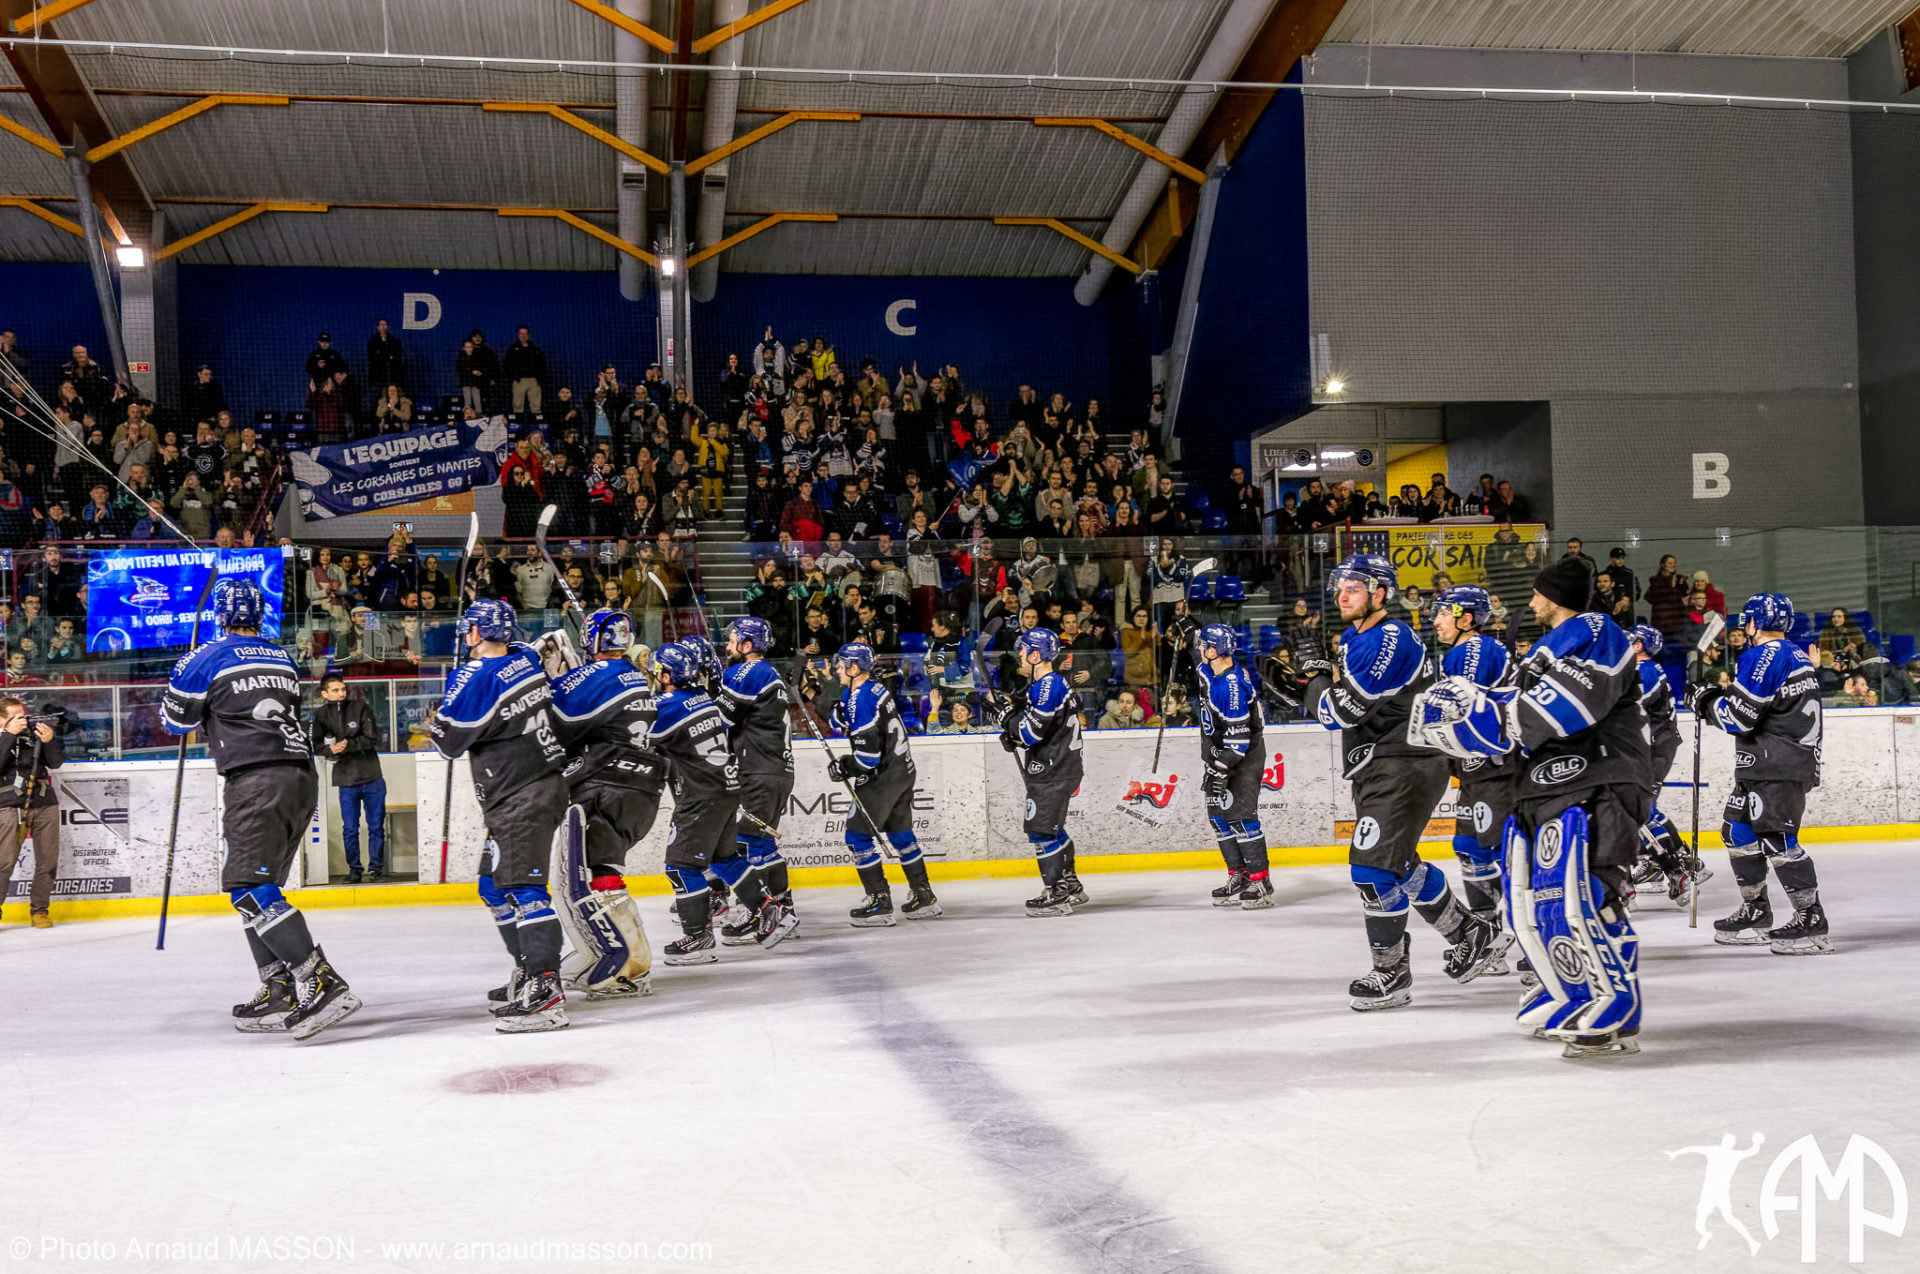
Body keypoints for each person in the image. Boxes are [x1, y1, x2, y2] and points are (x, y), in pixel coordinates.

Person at [1410, 555, 1652, 1057]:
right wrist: (1474, 713)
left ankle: (1616, 1001)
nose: (1532, 600)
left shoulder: (1596, 629)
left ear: (1555, 595)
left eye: (1539, 592)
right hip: (1546, 786)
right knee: (1542, 900)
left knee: (1590, 893)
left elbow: (1567, 705)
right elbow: (1512, 709)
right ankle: (1575, 990)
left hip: (1599, 777)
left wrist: (1494, 716)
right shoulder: (1545, 647)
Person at [1293, 554, 1499, 1012]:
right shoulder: (1357, 637)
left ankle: (1391, 971)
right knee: (1398, 864)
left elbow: (1340, 711)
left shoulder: (1390, 638)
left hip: (1406, 763)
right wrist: (1309, 684)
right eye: (1339, 587)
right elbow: (1339, 703)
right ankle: (1469, 932)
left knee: (1370, 869)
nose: (1342, 595)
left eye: (1354, 587)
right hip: (1382, 763)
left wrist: (1314, 686)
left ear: (1379, 593)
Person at [161, 579, 359, 1040]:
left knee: (249, 887)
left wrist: (186, 672)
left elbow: (175, 721)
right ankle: (279, 989)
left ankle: (319, 980)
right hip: (298, 777)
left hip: (256, 779)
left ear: (220, 616)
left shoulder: (204, 657)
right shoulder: (282, 658)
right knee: (255, 889)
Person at [430, 598, 573, 1033]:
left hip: (520, 794)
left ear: (474, 633)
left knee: (525, 889)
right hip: (535, 786)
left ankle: (546, 992)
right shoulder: (524, 658)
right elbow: (540, 649)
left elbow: (448, 743)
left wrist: (438, 716)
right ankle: (530, 972)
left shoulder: (473, 675)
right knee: (493, 886)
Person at [1689, 593, 1831, 955]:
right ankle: (1756, 910)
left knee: (1777, 840)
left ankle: (1811, 918)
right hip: (1772, 762)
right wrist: (1717, 695)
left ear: (1752, 624)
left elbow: (1738, 718)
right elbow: (1760, 702)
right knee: (1736, 831)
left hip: (1777, 764)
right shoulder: (1795, 654)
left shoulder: (1762, 656)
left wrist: (1704, 702)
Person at [544, 609, 666, 1000]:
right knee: (606, 873)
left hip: (606, 785)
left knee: (577, 881)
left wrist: (551, 678)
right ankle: (635, 962)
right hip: (640, 790)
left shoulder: (596, 676)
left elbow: (552, 720)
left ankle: (616, 966)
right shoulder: (632, 674)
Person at [645, 641, 767, 964]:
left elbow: (639, 737)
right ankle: (767, 907)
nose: (654, 674)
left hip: (701, 795)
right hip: (726, 788)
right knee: (723, 858)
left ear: (668, 675)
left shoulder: (667, 705)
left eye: (657, 670)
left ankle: (698, 936)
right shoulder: (704, 698)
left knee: (680, 866)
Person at [817, 642, 940, 924]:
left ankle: (879, 901)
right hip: (902, 771)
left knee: (857, 837)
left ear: (854, 667)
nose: (837, 668)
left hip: (881, 777)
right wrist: (817, 693)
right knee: (901, 835)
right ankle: (923, 896)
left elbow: (867, 759)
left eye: (841, 664)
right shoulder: (872, 689)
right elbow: (843, 717)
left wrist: (844, 765)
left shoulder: (861, 698)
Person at [1427, 585, 1517, 971]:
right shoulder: (1464, 651)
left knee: (1504, 855)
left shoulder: (1472, 650)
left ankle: (1530, 942)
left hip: (1496, 770)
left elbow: (1465, 709)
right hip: (1479, 770)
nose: (1436, 620)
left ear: (1466, 618)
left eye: (1444, 613)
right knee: (1469, 846)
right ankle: (1490, 936)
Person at [716, 617, 801, 945]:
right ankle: (783, 911)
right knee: (761, 843)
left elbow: (718, 721)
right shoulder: (766, 674)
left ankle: (763, 913)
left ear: (747, 645)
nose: (727, 645)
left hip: (760, 771)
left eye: (733, 640)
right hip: (774, 770)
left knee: (748, 842)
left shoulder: (747, 672)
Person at [992, 628, 1087, 916]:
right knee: (1052, 829)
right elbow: (1038, 731)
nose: (1019, 656)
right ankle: (1070, 885)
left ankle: (1056, 893)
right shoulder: (1047, 685)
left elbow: (1031, 732)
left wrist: (1007, 719)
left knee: (1040, 830)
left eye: (1023, 651)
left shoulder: (1048, 685)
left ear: (1035, 655)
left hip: (1053, 769)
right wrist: (1014, 731)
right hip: (1059, 766)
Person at [1626, 626, 1712, 905]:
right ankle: (1672, 862)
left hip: (1654, 748)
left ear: (1640, 646)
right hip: (1650, 746)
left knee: (1642, 808)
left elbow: (1629, 705)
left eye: (1631, 640)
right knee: (1639, 809)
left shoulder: (1646, 670)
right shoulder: (1641, 669)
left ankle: (1682, 863)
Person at [1191, 624, 1273, 911]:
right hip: (1219, 756)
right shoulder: (1208, 668)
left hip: (1242, 757)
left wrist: (1220, 769)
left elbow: (1238, 743)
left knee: (1241, 817)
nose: (1198, 648)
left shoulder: (1231, 687)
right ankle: (1238, 875)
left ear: (1213, 651)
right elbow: (1196, 652)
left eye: (1203, 645)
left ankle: (1260, 882)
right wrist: (1185, 627)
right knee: (1219, 817)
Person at [307, 674, 387, 883]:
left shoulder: (361, 708)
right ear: (324, 693)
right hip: (346, 780)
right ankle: (355, 870)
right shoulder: (320, 715)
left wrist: (345, 746)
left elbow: (372, 738)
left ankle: (376, 869)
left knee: (376, 825)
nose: (341, 693)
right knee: (350, 828)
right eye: (335, 690)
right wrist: (330, 749)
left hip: (372, 777)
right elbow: (314, 745)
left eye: (342, 689)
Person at [0, 697, 62, 928]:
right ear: (1, 719)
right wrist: (8, 735)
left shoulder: (32, 734)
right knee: (3, 863)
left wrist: (49, 740)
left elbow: (55, 763)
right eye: (15, 717)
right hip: (8, 804)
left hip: (43, 801)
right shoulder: (5, 737)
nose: (22, 721)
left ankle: (40, 911)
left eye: (23, 716)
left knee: (47, 860)